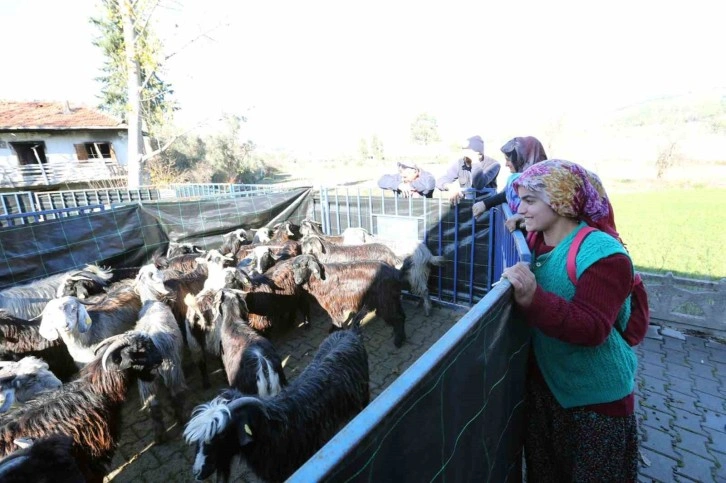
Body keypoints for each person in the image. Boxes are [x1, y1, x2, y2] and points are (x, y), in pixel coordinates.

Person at [501, 159, 638, 482]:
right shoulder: (540, 239)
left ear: (561, 202)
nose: (521, 208)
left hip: (596, 404)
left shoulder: (605, 255)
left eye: (530, 201)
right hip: (550, 389)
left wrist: (533, 298)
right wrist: (522, 226)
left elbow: (592, 328)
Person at [471, 136, 548, 230]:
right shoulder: (520, 180)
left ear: (521, 158)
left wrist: (522, 217)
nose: (506, 164)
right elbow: (507, 194)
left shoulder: (540, 183)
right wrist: (485, 204)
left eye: (508, 159)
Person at [435, 135, 500, 204]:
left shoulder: (493, 164)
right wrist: (451, 187)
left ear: (478, 153)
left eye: (467, 151)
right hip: (467, 204)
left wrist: (474, 162)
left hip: (487, 205)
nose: (463, 154)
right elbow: (440, 180)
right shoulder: (461, 163)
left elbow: (479, 184)